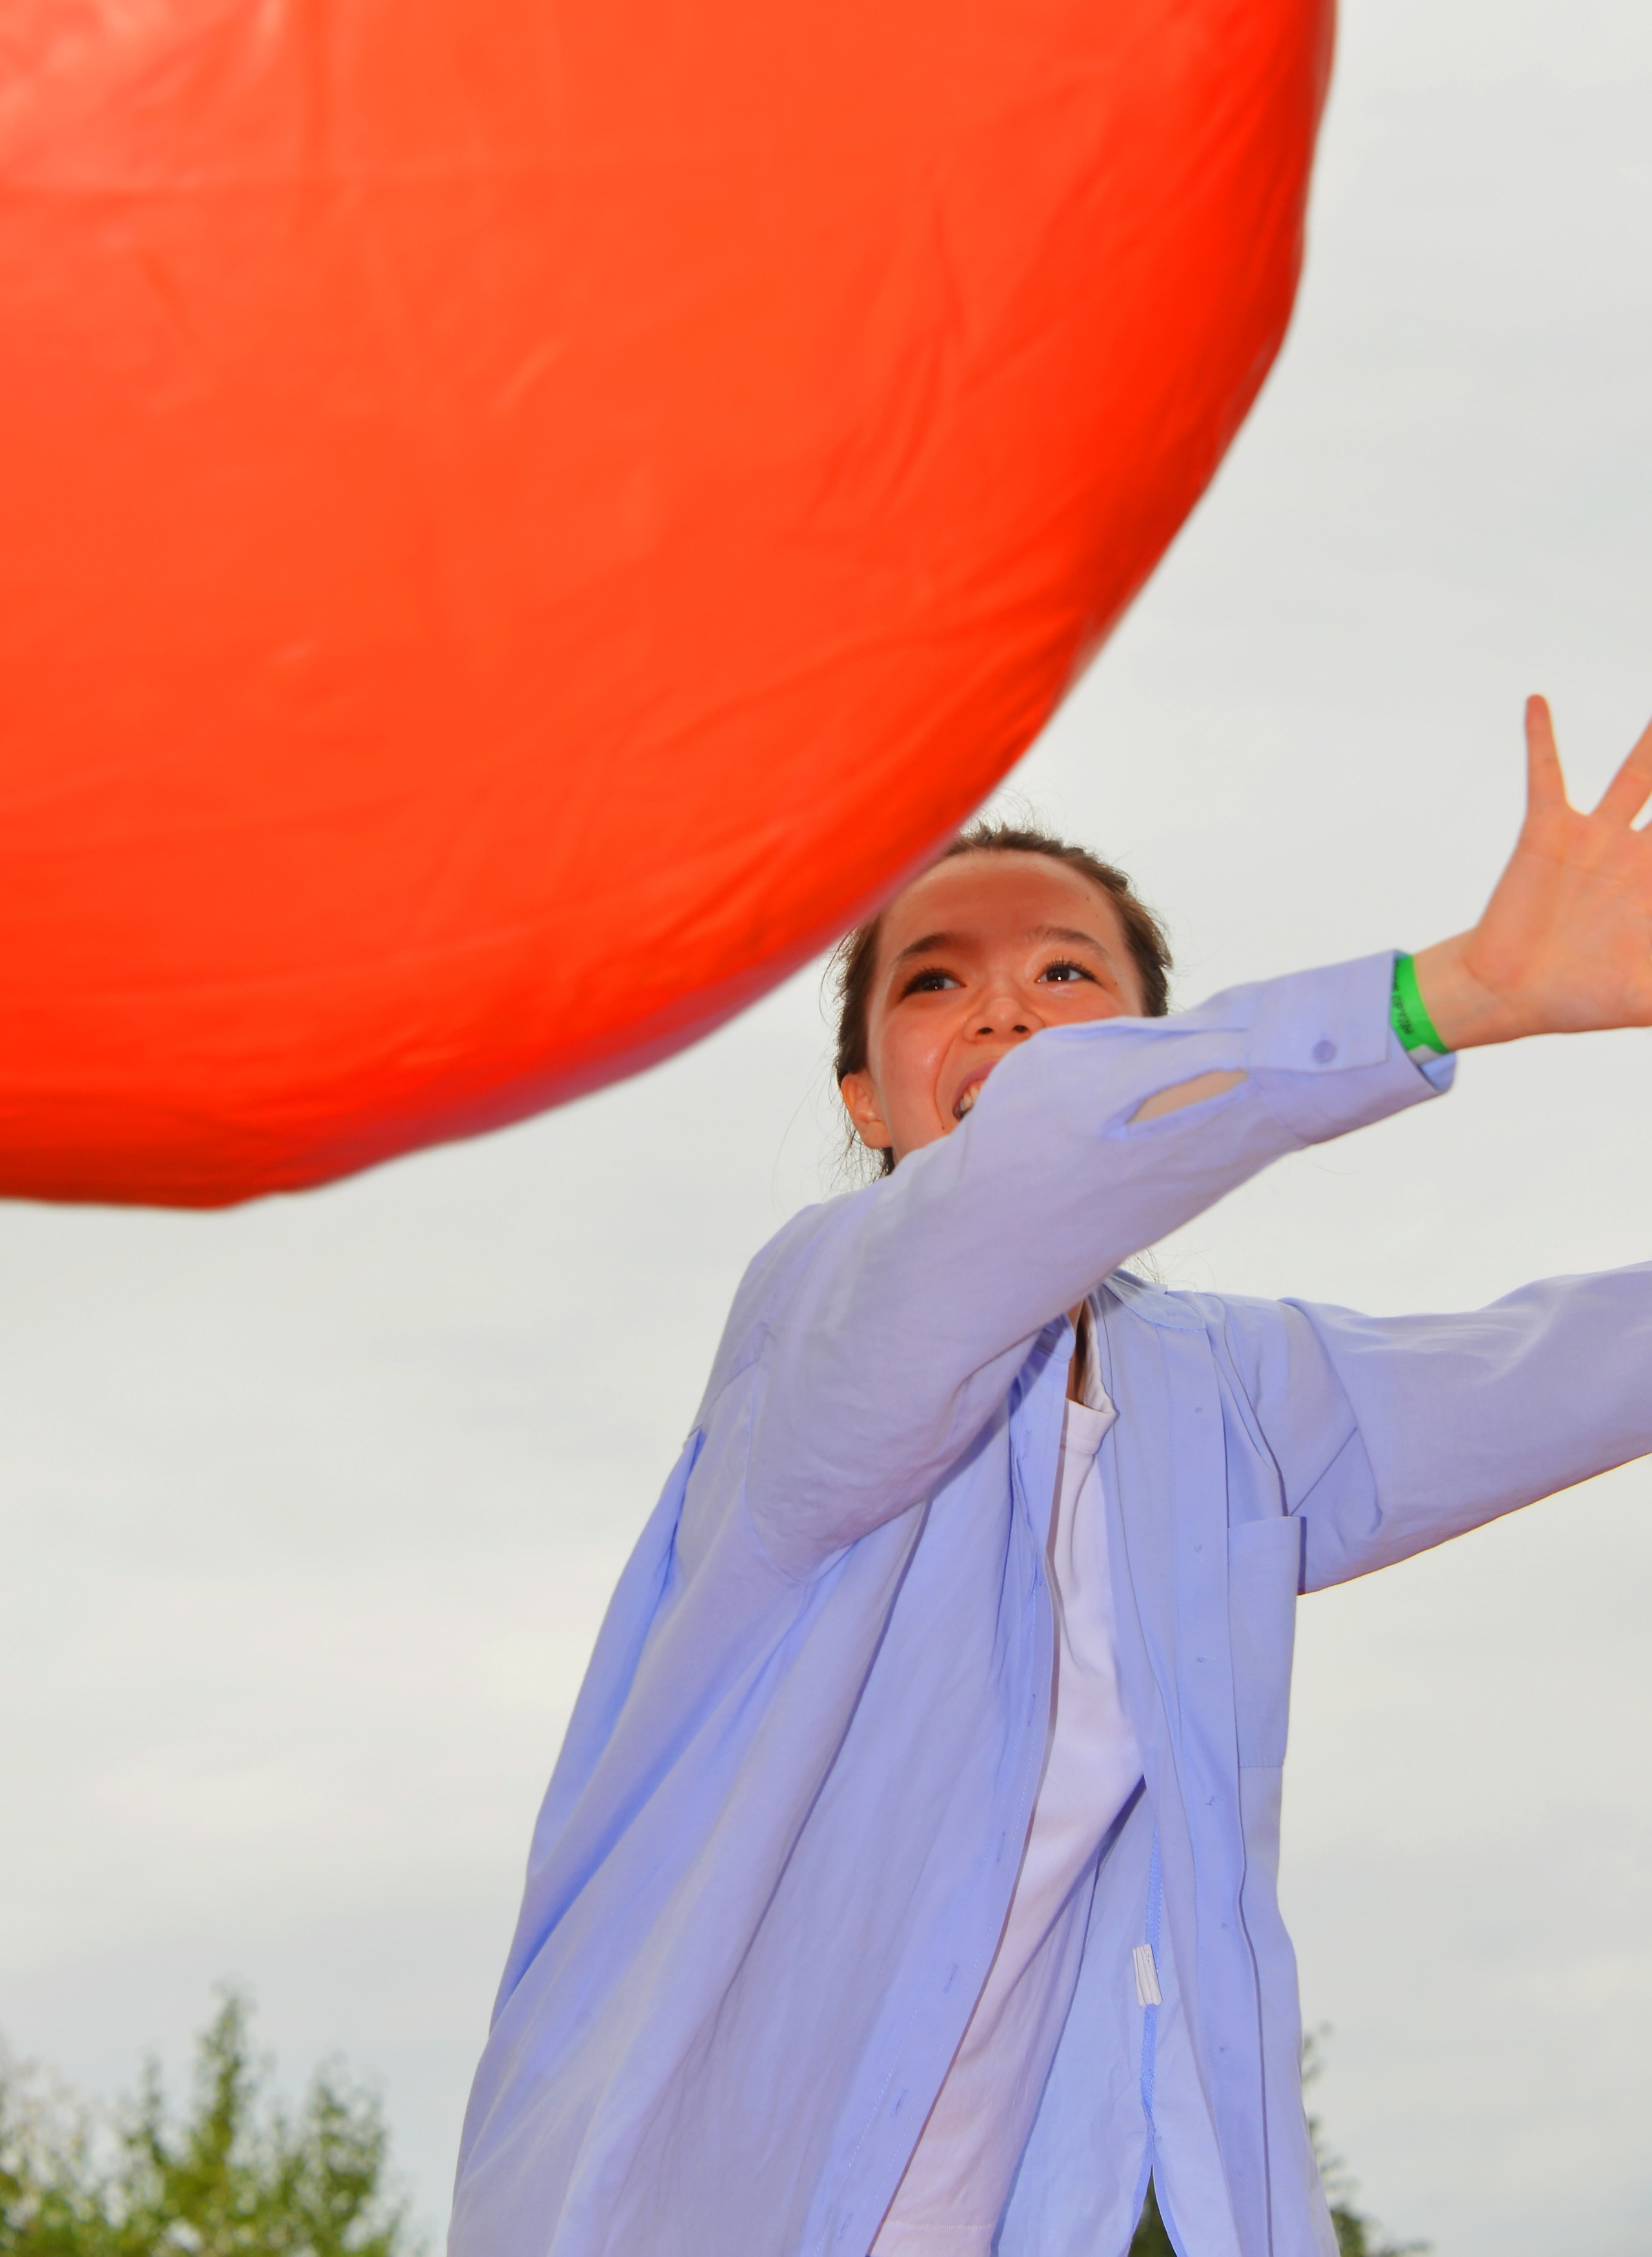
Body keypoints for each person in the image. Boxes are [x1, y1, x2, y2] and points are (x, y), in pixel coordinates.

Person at [449, 697, 1652, 2257]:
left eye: (1065, 975)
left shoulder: (1216, 1397)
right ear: (865, 1102)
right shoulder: (818, 1322)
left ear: (1156, 1042)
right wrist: (1451, 998)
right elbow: (1027, 1177)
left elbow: (1558, 1366)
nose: (1003, 1016)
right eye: (933, 981)